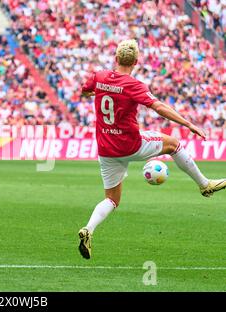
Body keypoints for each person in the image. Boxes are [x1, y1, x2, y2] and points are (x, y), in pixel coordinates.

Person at [77, 39, 226, 259]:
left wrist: (96, 93)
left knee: (112, 199)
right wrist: (188, 124)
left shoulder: (98, 76)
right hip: (130, 144)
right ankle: (204, 185)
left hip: (106, 149)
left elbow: (85, 91)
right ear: (136, 62)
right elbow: (159, 107)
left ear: (116, 58)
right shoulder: (134, 85)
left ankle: (88, 229)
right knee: (174, 144)